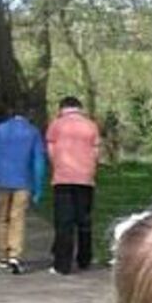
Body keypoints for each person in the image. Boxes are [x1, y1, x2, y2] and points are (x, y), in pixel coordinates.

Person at [0, 109, 46, 275]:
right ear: (28, 116)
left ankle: (3, 254)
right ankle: (15, 255)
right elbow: (38, 161)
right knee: (18, 218)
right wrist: (38, 187)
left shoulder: (0, 129)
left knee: (2, 217)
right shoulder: (33, 132)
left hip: (1, 180)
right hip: (24, 182)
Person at [46, 95, 101, 275]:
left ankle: (62, 264)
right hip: (85, 179)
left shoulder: (56, 125)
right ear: (79, 108)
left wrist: (58, 165)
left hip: (63, 178)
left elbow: (51, 150)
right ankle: (85, 259)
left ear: (62, 108)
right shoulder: (91, 125)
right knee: (84, 220)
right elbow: (96, 151)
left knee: (64, 222)